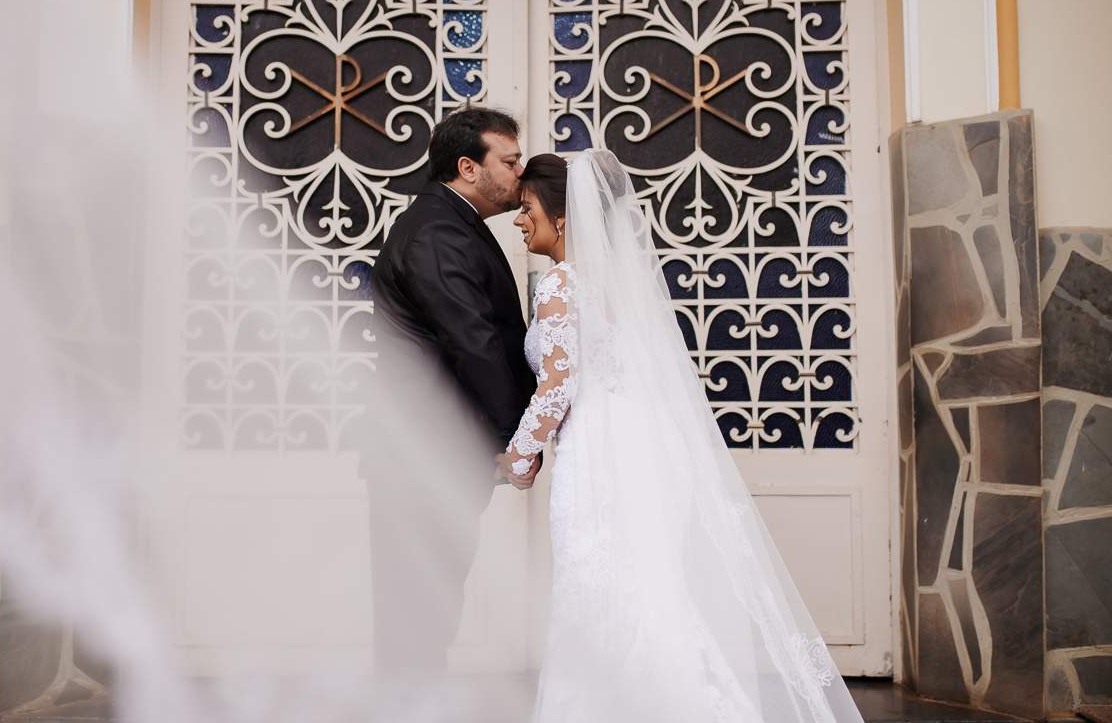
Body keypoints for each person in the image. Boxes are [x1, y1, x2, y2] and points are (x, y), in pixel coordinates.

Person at [496, 149, 865, 723]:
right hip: (646, 446)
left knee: (599, 594)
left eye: (528, 207)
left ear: (564, 216)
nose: (521, 220)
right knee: (651, 592)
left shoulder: (560, 283)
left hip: (600, 454)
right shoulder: (619, 282)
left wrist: (518, 457)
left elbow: (559, 387)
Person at [365, 107, 539, 675]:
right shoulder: (438, 230)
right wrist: (521, 441)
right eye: (510, 162)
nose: (521, 173)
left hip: (435, 451)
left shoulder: (455, 224)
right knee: (416, 603)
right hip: (421, 454)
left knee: (431, 598)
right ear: (468, 167)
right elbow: (474, 341)